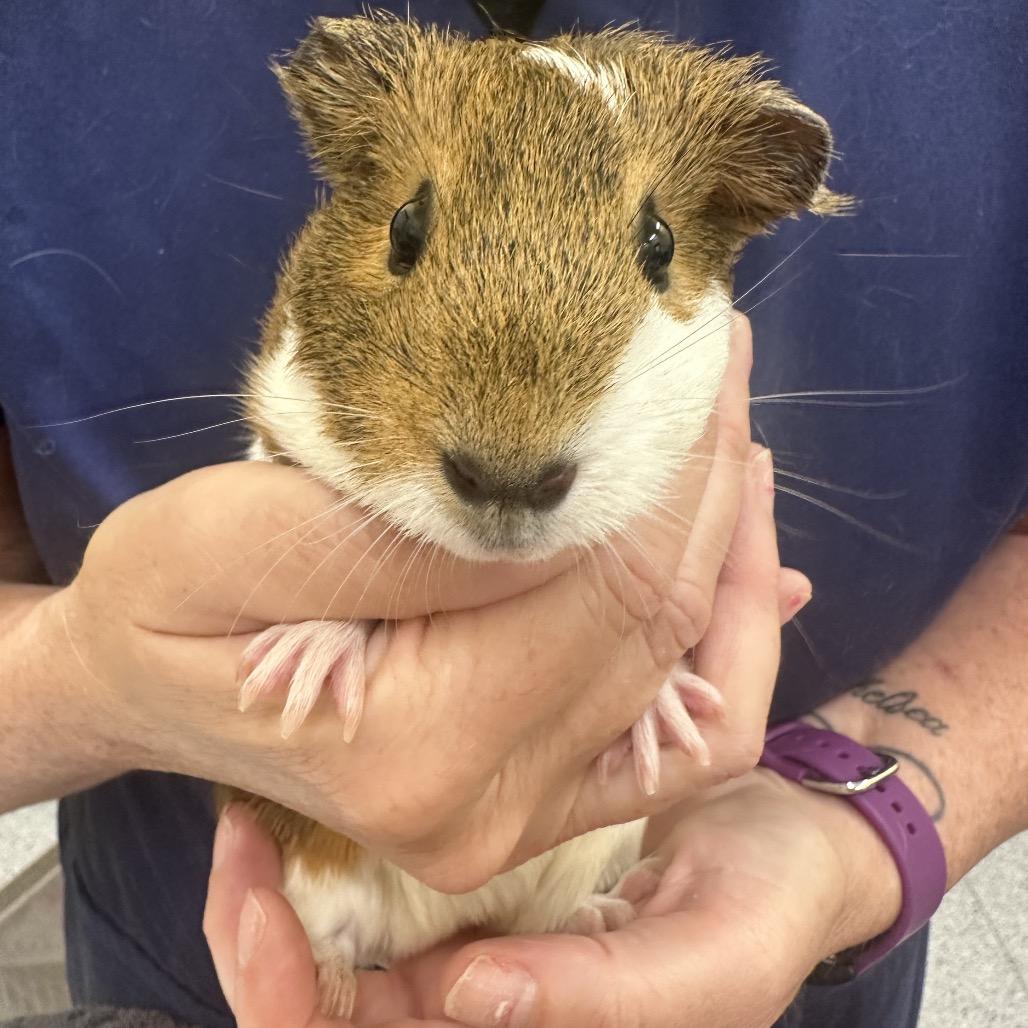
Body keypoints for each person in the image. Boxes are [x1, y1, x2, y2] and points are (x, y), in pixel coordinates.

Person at [1, 2, 1025, 1027]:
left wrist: (846, 807)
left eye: (650, 246)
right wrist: (83, 674)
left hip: (753, 905)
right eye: (411, 232)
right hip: (213, 919)